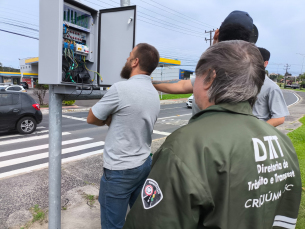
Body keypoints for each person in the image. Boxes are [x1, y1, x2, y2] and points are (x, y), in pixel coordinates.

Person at [123, 41, 302, 229]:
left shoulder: (187, 146)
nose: (192, 84)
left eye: (196, 76)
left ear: (209, 77)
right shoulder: (284, 144)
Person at [87, 43, 160, 229]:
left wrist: (107, 119)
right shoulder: (154, 92)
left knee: (113, 225)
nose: (127, 59)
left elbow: (92, 118)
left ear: (135, 62)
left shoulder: (121, 89)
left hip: (119, 170)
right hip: (143, 164)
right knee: (137, 220)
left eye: (129, 56)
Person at [153, 10, 258, 116]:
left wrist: (149, 81)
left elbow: (182, 86)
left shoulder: (211, 70)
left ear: (218, 33)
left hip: (202, 130)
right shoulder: (252, 74)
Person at [253, 48, 289, 126]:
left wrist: (256, 131)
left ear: (265, 63)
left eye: (255, 61)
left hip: (256, 134)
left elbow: (279, 118)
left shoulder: (271, 87)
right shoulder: (239, 83)